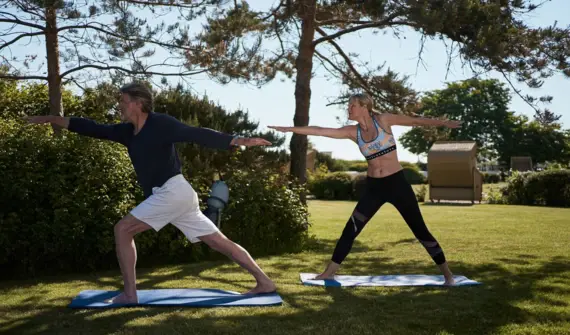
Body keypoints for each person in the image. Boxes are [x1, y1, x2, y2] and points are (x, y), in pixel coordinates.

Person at [26, 82, 277, 304]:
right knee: (219, 242)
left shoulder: (160, 124)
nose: (119, 106)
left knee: (122, 230)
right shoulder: (126, 131)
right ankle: (264, 282)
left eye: (123, 101)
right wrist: (53, 119)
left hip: (173, 191)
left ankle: (129, 294)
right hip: (176, 195)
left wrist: (236, 139)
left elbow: (195, 133)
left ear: (138, 103)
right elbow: (93, 128)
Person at [269, 93, 462, 285]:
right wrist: (290, 129)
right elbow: (320, 130)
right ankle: (329, 273)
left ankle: (448, 276)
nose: (348, 108)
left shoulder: (383, 121)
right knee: (351, 229)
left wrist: (442, 123)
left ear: (364, 107)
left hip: (397, 185)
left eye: (352, 105)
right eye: (349, 105)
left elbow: (414, 121)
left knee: (420, 230)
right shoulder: (353, 132)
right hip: (374, 188)